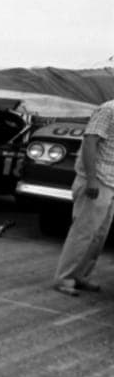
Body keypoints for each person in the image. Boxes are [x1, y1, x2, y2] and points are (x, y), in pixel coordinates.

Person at [53, 98, 114, 296]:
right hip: (98, 180)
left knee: (98, 235)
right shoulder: (108, 109)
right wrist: (91, 179)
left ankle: (81, 276)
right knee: (84, 231)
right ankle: (64, 278)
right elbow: (90, 142)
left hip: (111, 182)